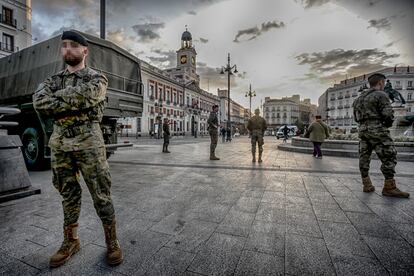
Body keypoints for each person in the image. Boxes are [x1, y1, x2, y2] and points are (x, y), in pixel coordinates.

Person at [32, 30, 123, 268]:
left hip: (89, 143)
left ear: (84, 50)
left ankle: (112, 242)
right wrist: (74, 102)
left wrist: (59, 104)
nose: (67, 49)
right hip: (61, 144)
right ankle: (70, 241)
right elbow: (39, 101)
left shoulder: (97, 78)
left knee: (101, 193)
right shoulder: (51, 80)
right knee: (67, 193)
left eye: (73, 45)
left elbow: (90, 96)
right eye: (64, 45)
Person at [353, 73, 409, 197]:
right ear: (381, 83)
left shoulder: (358, 99)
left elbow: (356, 118)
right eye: (383, 83)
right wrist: (386, 125)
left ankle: (367, 184)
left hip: (362, 130)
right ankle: (389, 187)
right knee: (389, 155)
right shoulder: (381, 95)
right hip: (377, 129)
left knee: (364, 156)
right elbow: (388, 115)